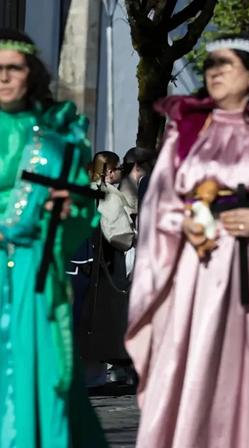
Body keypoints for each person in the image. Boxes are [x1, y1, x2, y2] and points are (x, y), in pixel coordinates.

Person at [126, 35, 249, 447]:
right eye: (209, 65)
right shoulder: (188, 132)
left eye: (226, 64)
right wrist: (185, 223)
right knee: (193, 361)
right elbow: (161, 203)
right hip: (196, 273)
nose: (214, 72)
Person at [0, 28, 107, 447]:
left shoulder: (55, 134)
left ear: (32, 74)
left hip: (32, 269)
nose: (4, 77)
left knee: (37, 371)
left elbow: (83, 208)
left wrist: (68, 210)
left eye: (14, 68)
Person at [78, 151, 136, 387]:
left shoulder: (85, 190)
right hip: (108, 263)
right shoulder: (109, 196)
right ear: (110, 171)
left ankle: (90, 373)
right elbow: (119, 234)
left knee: (89, 316)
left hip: (86, 264)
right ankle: (98, 374)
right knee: (106, 317)